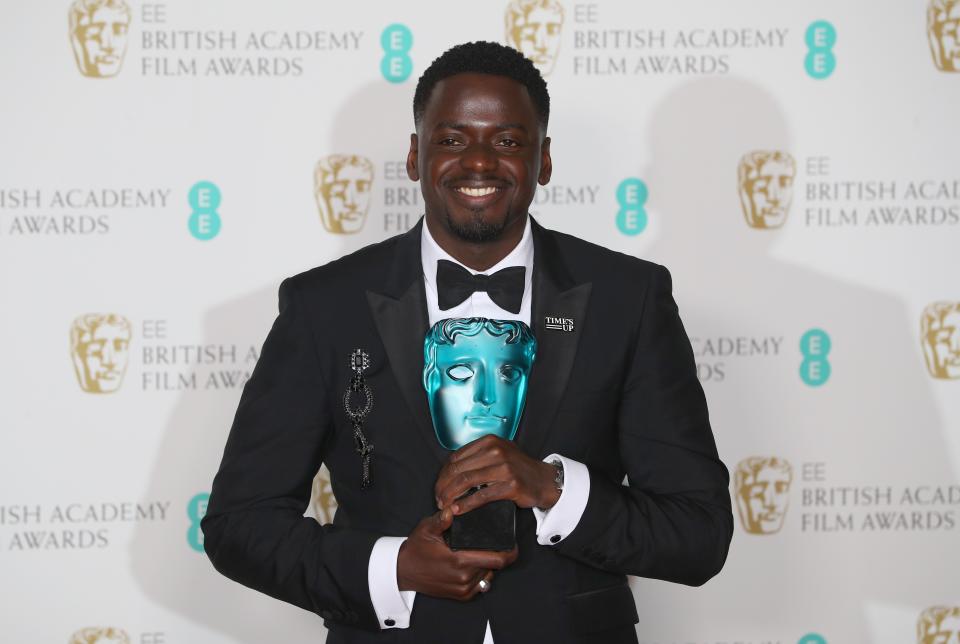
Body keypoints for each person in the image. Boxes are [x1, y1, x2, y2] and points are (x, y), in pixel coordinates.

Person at [202, 41, 732, 644]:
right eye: (452, 139)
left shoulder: (629, 298)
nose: (479, 162)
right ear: (414, 155)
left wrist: (554, 489)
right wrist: (392, 568)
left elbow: (699, 534)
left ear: (545, 160)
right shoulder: (325, 306)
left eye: (507, 141)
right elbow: (238, 524)